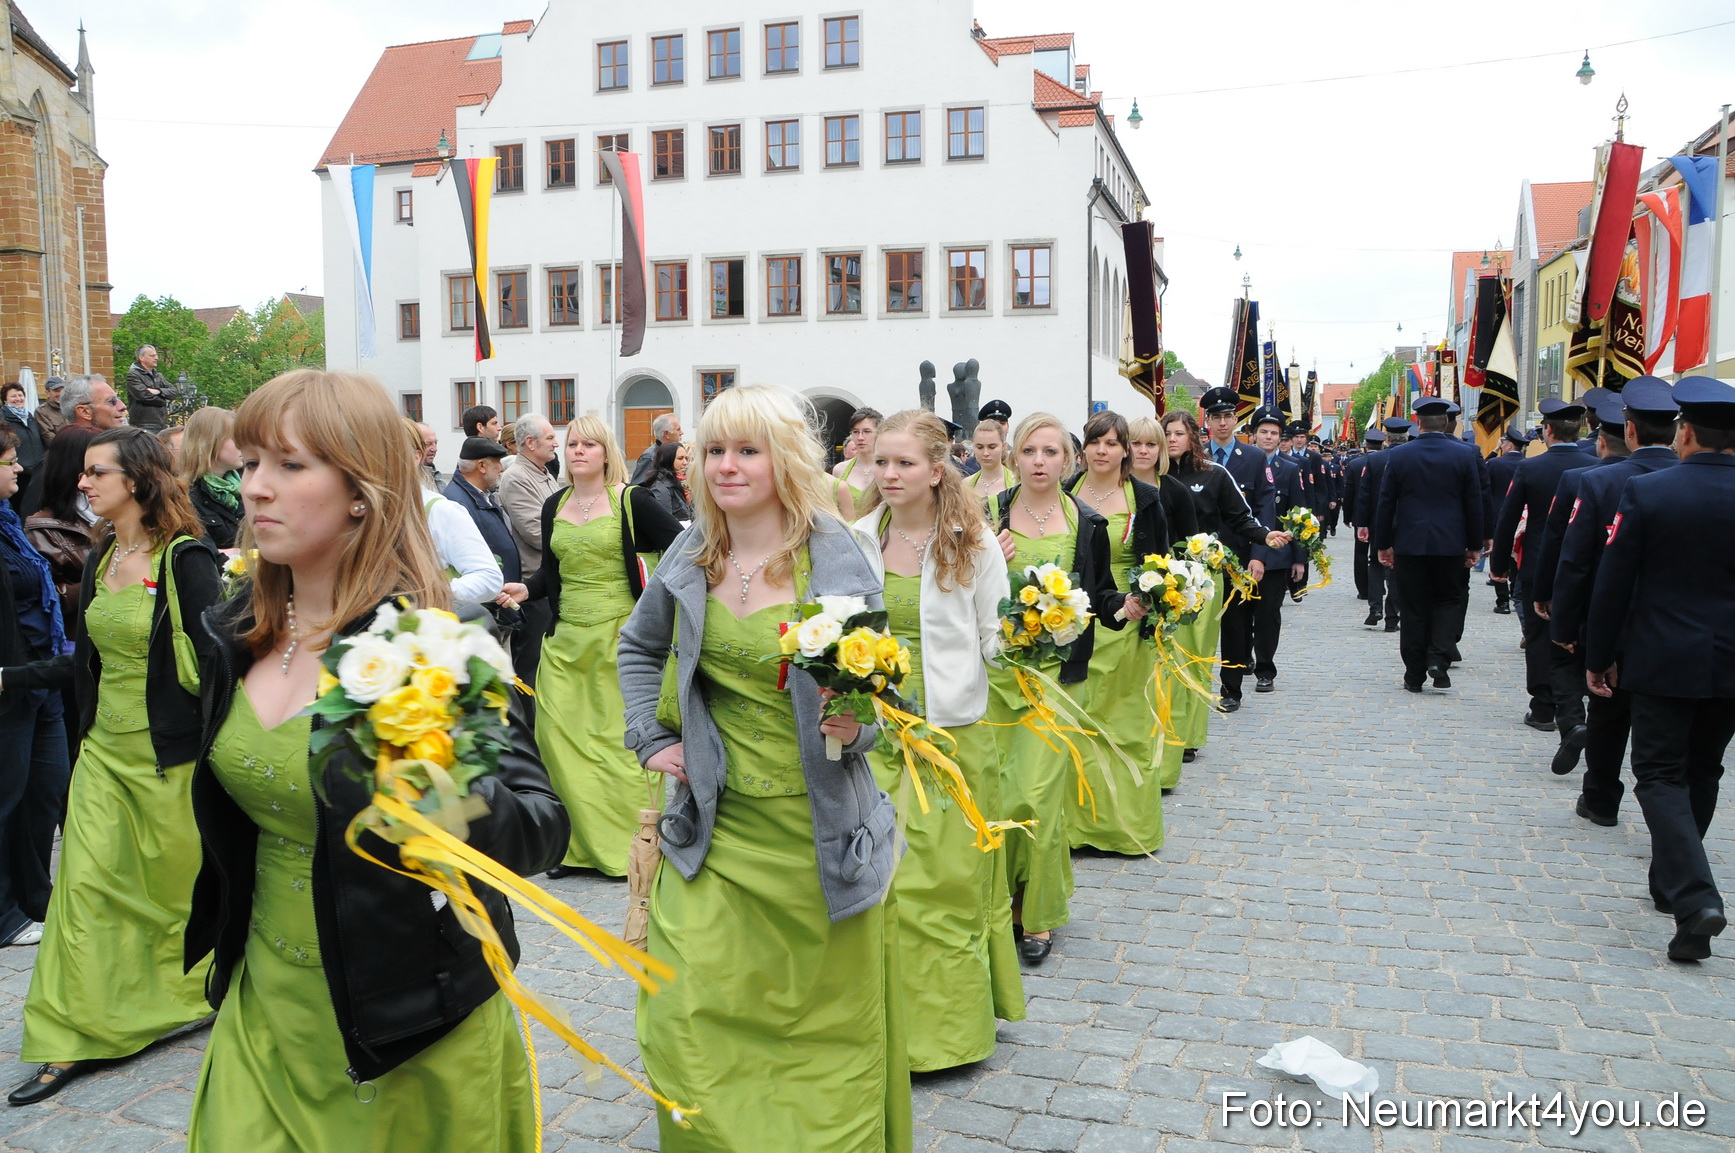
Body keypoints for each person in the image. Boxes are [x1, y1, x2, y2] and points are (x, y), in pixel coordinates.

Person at [181, 368, 565, 1149]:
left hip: (407, 1023)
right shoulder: (231, 630)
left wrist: (436, 791)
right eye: (250, 462)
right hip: (265, 1004)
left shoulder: (430, 655)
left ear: (361, 489)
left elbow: (540, 827)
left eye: (290, 465)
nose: (257, 488)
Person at [617, 384, 910, 1152]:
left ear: (783, 459)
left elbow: (876, 687)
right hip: (710, 831)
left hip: (813, 840)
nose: (726, 465)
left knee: (822, 1038)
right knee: (682, 1021)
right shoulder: (692, 549)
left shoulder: (834, 551)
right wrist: (649, 736)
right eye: (714, 450)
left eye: (746, 450)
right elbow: (639, 645)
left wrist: (859, 722)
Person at [2, 426, 220, 1105]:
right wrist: (8, 677)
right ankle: (69, 1033)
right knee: (84, 892)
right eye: (85, 474)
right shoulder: (100, 556)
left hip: (168, 760)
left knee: (167, 897)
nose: (83, 483)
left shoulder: (186, 558)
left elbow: (216, 666)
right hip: (100, 754)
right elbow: (83, 664)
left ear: (139, 479)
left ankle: (193, 990)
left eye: (97, 473)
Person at [851, 408, 1022, 1072]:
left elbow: (993, 640)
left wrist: (1035, 629)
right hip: (871, 734)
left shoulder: (971, 542)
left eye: (903, 463)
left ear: (934, 468)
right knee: (882, 882)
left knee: (941, 884)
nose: (888, 474)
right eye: (881, 462)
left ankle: (943, 1033)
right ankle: (881, 1025)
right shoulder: (854, 538)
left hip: (950, 735)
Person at [1583, 377, 1735, 964]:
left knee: (1659, 775)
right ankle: (1672, 884)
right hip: (1728, 666)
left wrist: (1597, 660)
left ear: (1686, 433)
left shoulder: (1650, 493)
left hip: (1662, 658)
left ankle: (1695, 897)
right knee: (1705, 768)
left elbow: (1613, 585)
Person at [508, 414, 682, 879]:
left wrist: (664, 607)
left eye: (588, 443)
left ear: (607, 451)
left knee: (618, 746)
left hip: (621, 642)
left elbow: (683, 550)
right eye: (571, 443)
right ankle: (573, 849)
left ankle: (627, 848)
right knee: (560, 744)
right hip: (565, 644)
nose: (577, 451)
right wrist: (529, 589)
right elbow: (552, 571)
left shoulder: (633, 501)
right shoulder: (554, 505)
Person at [987, 413, 1130, 962]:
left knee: (1037, 797)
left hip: (1056, 679)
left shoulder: (1086, 521)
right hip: (995, 675)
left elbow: (1104, 595)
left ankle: (1036, 914)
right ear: (1014, 457)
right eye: (1030, 451)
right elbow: (951, 583)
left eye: (1050, 452)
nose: (1040, 461)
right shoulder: (989, 513)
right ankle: (1001, 901)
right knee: (996, 795)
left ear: (1066, 460)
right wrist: (983, 562)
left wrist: (1131, 606)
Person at [1548, 378, 1680, 817]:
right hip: (1679, 632)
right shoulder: (1691, 480)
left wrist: (1564, 627)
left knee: (1606, 715)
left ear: (1630, 431)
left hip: (1614, 623)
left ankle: (1601, 797)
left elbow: (1576, 562)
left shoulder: (1600, 482)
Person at [1064, 410, 1169, 853]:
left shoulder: (1144, 498)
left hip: (1127, 622)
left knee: (1124, 725)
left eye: (1111, 443)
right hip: (1075, 621)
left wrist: (1147, 602)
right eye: (1094, 442)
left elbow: (1161, 562)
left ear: (1125, 450)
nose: (1102, 450)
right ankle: (1077, 826)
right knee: (1077, 724)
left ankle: (1124, 828)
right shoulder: (1065, 493)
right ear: (1083, 449)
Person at [1159, 408, 1271, 778]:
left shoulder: (1213, 474)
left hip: (1200, 577)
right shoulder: (1149, 475)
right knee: (1161, 658)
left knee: (1194, 655)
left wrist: (1263, 539)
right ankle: (1160, 725)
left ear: (1193, 436)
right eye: (1167, 433)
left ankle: (1189, 735)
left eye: (1179, 433)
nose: (1172, 439)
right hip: (1157, 576)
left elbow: (1241, 517)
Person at [1528, 393, 1632, 771]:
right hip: (1648, 610)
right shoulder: (1663, 477)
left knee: (1565, 658)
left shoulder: (1582, 480)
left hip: (1590, 595)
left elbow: (1561, 546)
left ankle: (1572, 721)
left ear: (1602, 440)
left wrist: (1545, 596)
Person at [0, 425, 70, 950]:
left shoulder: (8, 522)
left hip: (41, 678)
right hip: (10, 684)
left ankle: (34, 898)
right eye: (8, 460)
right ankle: (5, 912)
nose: (19, 467)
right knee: (8, 798)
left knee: (45, 793)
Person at [1490, 398, 1588, 733]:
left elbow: (1508, 518)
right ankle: (1576, 701)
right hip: (1585, 564)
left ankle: (1544, 706)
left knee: (1539, 636)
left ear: (1547, 431)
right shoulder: (1596, 466)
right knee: (1578, 632)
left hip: (1536, 563)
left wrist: (1499, 565)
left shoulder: (1531, 468)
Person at [1372, 398, 1484, 692]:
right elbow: (1474, 503)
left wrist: (1383, 543)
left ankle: (1414, 674)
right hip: (1450, 544)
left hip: (1410, 544)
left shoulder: (1398, 456)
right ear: (1447, 423)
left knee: (1413, 607)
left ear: (1417, 422)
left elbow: (1386, 503)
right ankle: (1439, 658)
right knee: (1447, 601)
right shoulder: (1465, 455)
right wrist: (1474, 544)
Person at [1197, 386, 1277, 711]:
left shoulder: (1255, 458)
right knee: (1198, 623)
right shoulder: (1195, 457)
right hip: (1199, 557)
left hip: (1240, 556)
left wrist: (1260, 555)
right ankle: (1195, 684)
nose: (1222, 422)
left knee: (1235, 624)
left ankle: (1231, 689)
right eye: (1216, 417)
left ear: (1236, 418)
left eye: (1228, 416)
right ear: (1208, 421)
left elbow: (1264, 509)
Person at [413, 421, 504, 614]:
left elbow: (488, 576)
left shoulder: (441, 509)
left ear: (414, 457)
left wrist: (431, 598)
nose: (502, 469)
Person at [498, 413, 562, 686]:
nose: (556, 444)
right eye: (550, 438)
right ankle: (528, 725)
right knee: (531, 665)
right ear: (530, 443)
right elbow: (537, 533)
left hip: (549, 581)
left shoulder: (543, 473)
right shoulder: (516, 478)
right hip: (534, 586)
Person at [444, 436, 522, 593]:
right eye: (497, 463)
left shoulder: (482, 494)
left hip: (501, 596)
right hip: (489, 601)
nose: (501, 468)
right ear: (482, 466)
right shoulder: (457, 503)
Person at [1357, 418, 1412, 632]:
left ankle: (1375, 608)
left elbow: (1365, 495)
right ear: (1406, 437)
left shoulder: (1374, 460)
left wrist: (1362, 523)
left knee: (1376, 563)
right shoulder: (1411, 457)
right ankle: (1392, 617)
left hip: (1379, 521)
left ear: (1387, 438)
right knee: (1397, 569)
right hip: (1406, 523)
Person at [178, 407, 245, 549]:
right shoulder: (184, 496)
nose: (243, 445)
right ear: (210, 442)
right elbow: (204, 555)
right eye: (235, 438)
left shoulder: (245, 487)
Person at [1484, 426, 1528, 615]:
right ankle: (1513, 591)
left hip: (1498, 516)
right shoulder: (1529, 464)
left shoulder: (1495, 464)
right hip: (1522, 517)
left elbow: (1485, 490)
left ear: (1509, 445)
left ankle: (1502, 600)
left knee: (1498, 554)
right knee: (1516, 554)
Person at [1342, 428, 1381, 602]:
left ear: (1365, 445)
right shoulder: (1388, 460)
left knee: (1361, 553)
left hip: (1361, 515)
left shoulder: (1355, 464)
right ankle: (1379, 586)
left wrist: (1347, 516)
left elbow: (1349, 492)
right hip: (1382, 515)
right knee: (1380, 551)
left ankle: (1363, 589)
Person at [2, 381, 45, 512]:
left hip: (35, 471)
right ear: (5, 399)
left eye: (20, 395)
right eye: (13, 396)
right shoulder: (3, 419)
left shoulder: (30, 417)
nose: (18, 399)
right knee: (19, 508)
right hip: (17, 473)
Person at [830, 407, 883, 503]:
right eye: (855, 432)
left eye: (867, 431)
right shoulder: (840, 470)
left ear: (879, 433)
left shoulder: (888, 468)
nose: (860, 437)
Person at [123, 346, 172, 432]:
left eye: (156, 355)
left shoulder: (158, 375)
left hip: (161, 424)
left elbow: (173, 391)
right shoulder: (133, 375)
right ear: (141, 357)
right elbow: (144, 396)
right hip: (143, 425)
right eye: (152, 356)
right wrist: (164, 399)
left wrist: (159, 391)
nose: (156, 358)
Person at [628, 411, 684, 486]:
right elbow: (637, 488)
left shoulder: (674, 452)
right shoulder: (650, 457)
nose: (681, 433)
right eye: (678, 429)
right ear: (667, 434)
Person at [964, 418, 1015, 498]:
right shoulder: (965, 485)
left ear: (1003, 446)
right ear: (973, 446)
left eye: (992, 447)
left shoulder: (1017, 483)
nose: (985, 453)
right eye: (980, 447)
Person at [646, 439, 693, 522]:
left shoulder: (678, 484)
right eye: (680, 458)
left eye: (686, 458)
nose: (685, 462)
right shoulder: (661, 488)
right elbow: (664, 523)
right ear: (668, 460)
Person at [34, 378, 67, 445]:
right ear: (48, 393)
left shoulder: (70, 407)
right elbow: (48, 436)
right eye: (56, 391)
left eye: (62, 390)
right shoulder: (42, 411)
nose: (60, 394)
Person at [415, 422, 442, 489]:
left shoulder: (434, 477)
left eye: (435, 443)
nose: (434, 449)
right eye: (428, 444)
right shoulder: (408, 483)